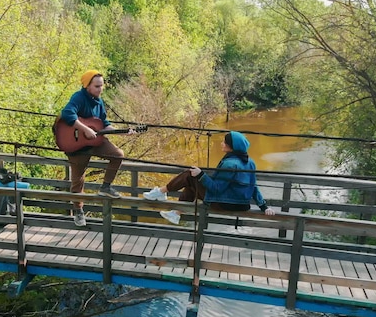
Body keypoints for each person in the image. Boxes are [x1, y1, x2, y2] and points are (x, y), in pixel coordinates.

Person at [143, 131, 275, 225]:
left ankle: (161, 192)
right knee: (191, 184)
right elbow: (254, 187)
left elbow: (216, 189)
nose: (222, 143)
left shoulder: (229, 164)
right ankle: (176, 213)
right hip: (239, 205)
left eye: (225, 142)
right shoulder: (250, 162)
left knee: (190, 174)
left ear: (231, 147)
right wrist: (264, 206)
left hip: (224, 203)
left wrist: (201, 175)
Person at [59, 70, 130, 227]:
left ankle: (105, 187)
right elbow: (67, 113)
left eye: (102, 86)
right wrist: (84, 128)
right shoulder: (79, 97)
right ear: (87, 86)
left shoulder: (99, 101)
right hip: (76, 144)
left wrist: (122, 132)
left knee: (118, 154)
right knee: (78, 181)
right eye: (97, 86)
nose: (100, 89)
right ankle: (78, 211)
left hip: (95, 141)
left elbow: (104, 123)